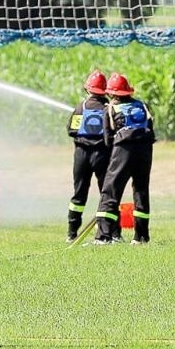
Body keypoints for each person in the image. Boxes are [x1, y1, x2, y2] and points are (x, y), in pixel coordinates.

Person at [94, 73, 155, 244]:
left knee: (110, 191)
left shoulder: (111, 109)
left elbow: (107, 140)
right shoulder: (143, 106)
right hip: (145, 151)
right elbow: (151, 129)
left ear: (112, 94)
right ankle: (141, 237)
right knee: (141, 191)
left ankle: (104, 236)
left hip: (123, 150)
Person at [65, 69, 112, 241]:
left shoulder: (81, 107)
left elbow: (71, 130)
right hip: (102, 155)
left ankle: (71, 233)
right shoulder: (109, 108)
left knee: (79, 194)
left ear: (88, 89)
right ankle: (112, 233)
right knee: (106, 194)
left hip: (81, 156)